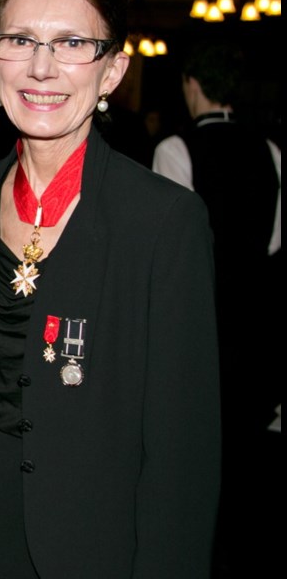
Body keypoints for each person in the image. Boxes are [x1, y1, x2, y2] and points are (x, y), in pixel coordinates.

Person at [0, 0, 221, 577]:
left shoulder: (164, 221)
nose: (41, 67)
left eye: (70, 43)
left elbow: (183, 457)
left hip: (95, 544)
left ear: (111, 71)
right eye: (21, 41)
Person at [152, 40, 281, 576]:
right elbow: (277, 243)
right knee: (249, 467)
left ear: (191, 86)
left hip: (200, 326)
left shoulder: (175, 150)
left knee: (197, 458)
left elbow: (170, 250)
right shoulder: (273, 151)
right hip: (258, 326)